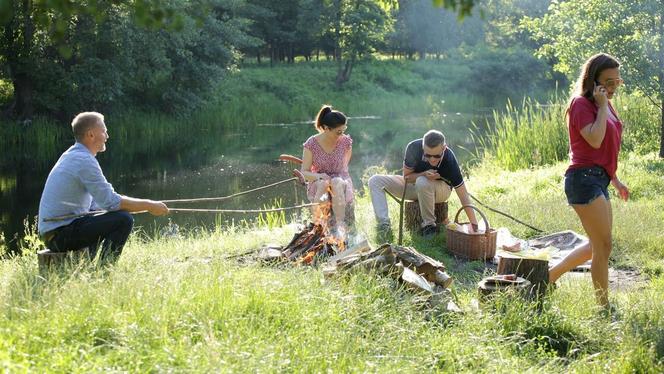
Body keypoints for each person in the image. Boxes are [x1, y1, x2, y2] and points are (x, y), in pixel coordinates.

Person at [548, 53, 629, 308]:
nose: (614, 86)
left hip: (599, 179)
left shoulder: (605, 103)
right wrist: (602, 105)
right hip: (582, 180)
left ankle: (547, 278)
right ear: (594, 81)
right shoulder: (582, 104)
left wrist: (614, 179)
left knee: (598, 245)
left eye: (618, 81)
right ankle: (603, 307)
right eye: (609, 81)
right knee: (603, 246)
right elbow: (593, 140)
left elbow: (604, 147)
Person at [38, 112, 169, 263]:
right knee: (123, 220)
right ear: (91, 135)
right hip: (59, 236)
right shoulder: (83, 160)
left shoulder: (75, 155)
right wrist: (149, 205)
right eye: (104, 131)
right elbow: (111, 202)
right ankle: (105, 270)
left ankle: (90, 267)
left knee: (102, 215)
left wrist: (137, 205)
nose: (107, 135)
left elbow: (100, 204)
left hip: (55, 234)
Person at [368, 130, 478, 238]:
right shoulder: (413, 148)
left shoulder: (449, 159)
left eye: (436, 156)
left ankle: (429, 226)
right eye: (428, 155)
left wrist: (474, 225)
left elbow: (463, 194)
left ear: (444, 148)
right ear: (423, 147)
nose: (432, 159)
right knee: (375, 181)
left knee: (422, 182)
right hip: (416, 186)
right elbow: (406, 178)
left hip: (441, 191)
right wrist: (424, 174)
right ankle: (384, 226)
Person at [300, 105, 353, 233]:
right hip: (318, 179)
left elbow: (345, 168)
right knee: (324, 184)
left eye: (343, 130)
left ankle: (340, 226)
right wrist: (320, 176)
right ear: (325, 128)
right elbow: (304, 172)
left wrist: (335, 178)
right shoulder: (311, 144)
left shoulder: (345, 142)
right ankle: (317, 224)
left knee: (336, 182)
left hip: (340, 178)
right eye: (338, 132)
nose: (342, 135)